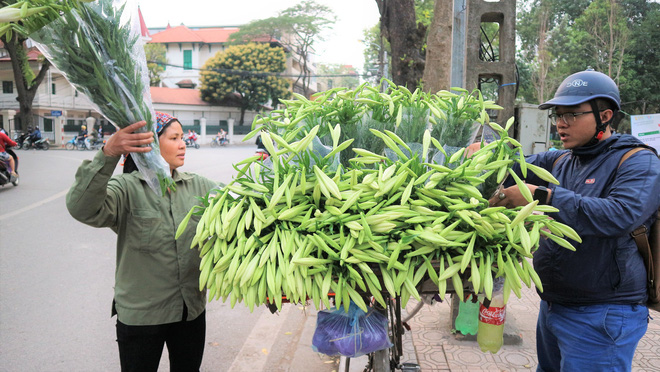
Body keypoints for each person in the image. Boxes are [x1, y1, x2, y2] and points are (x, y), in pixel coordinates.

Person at [488, 69, 660, 371]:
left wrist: (543, 195)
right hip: (554, 305)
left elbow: (620, 215)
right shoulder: (560, 159)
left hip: (603, 314)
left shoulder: (637, 161)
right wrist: (482, 157)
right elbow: (508, 167)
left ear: (604, 115)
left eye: (571, 115)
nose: (561, 123)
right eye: (558, 115)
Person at [66, 111, 217, 372]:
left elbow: (243, 210)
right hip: (142, 317)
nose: (183, 144)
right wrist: (109, 153)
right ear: (150, 144)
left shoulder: (199, 188)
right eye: (174, 138)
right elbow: (81, 208)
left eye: (182, 137)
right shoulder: (127, 189)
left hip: (190, 311)